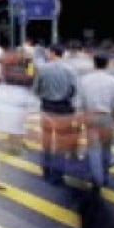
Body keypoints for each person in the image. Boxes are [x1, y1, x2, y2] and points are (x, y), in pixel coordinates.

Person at [32, 44, 78, 186]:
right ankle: (58, 175)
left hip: (47, 107)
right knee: (61, 143)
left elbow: (36, 90)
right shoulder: (70, 70)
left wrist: (44, 96)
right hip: (64, 109)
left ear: (52, 53)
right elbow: (74, 90)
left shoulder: (43, 69)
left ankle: (46, 170)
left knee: (46, 140)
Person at [76, 53, 114, 190]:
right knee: (107, 149)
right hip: (107, 117)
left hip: (90, 117)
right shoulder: (113, 81)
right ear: (107, 63)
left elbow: (80, 104)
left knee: (94, 150)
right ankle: (105, 177)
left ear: (94, 63)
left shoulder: (84, 80)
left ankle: (97, 179)